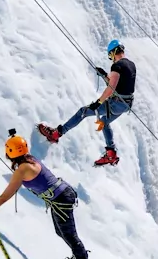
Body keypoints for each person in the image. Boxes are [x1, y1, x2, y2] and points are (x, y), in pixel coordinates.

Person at [0, 130, 92, 259]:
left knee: (68, 234)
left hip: (61, 199)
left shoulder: (22, 169)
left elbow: (4, 197)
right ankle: (78, 257)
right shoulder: (30, 160)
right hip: (62, 195)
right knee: (61, 231)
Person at [38, 39, 136, 167]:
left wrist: (98, 102)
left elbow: (111, 88)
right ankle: (111, 153)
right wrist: (105, 75)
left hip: (116, 103)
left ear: (112, 53)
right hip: (125, 104)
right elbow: (119, 85)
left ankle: (56, 133)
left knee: (83, 112)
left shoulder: (117, 66)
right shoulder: (131, 64)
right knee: (104, 122)